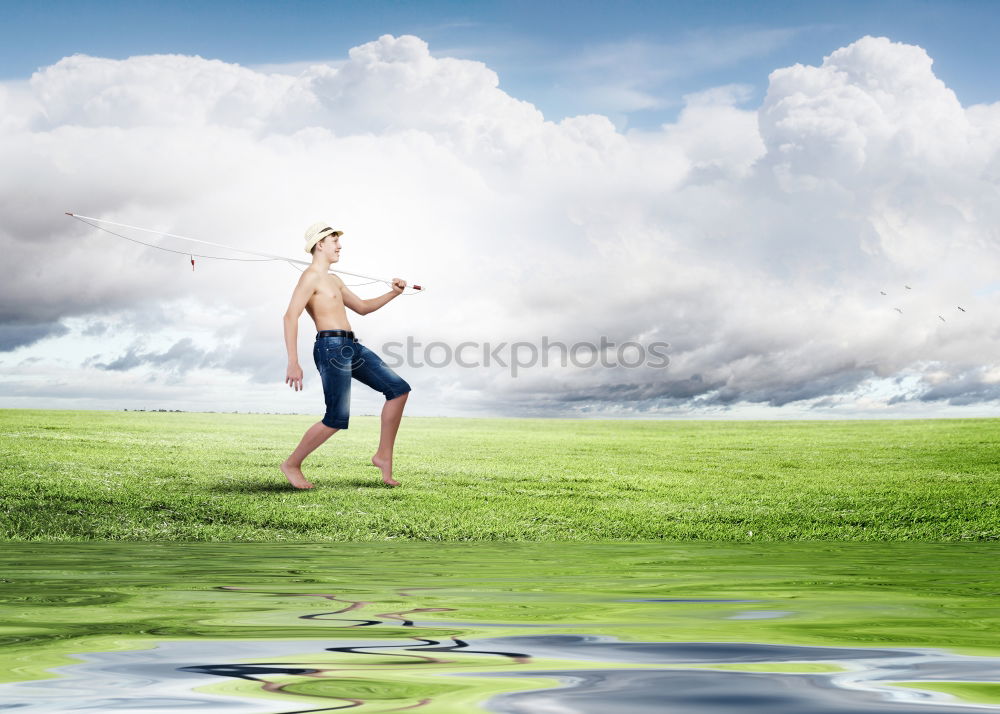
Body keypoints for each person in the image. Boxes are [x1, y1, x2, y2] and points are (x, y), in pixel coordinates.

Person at [281, 222, 412, 488]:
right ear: (320, 244)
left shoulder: (334, 280)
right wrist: (293, 362)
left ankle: (383, 456)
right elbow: (290, 316)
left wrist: (394, 293)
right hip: (330, 349)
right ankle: (291, 464)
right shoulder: (310, 277)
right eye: (334, 241)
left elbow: (362, 308)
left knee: (398, 390)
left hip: (352, 347)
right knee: (336, 418)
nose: (340, 246)